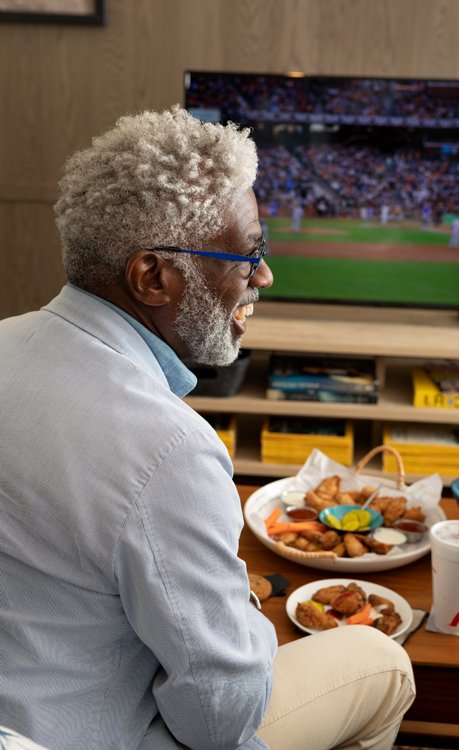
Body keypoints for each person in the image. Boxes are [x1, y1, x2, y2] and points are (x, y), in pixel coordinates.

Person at [0, 106, 415, 750]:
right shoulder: (168, 450)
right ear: (152, 276)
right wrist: (244, 608)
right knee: (379, 660)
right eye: (246, 255)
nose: (264, 275)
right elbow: (222, 722)